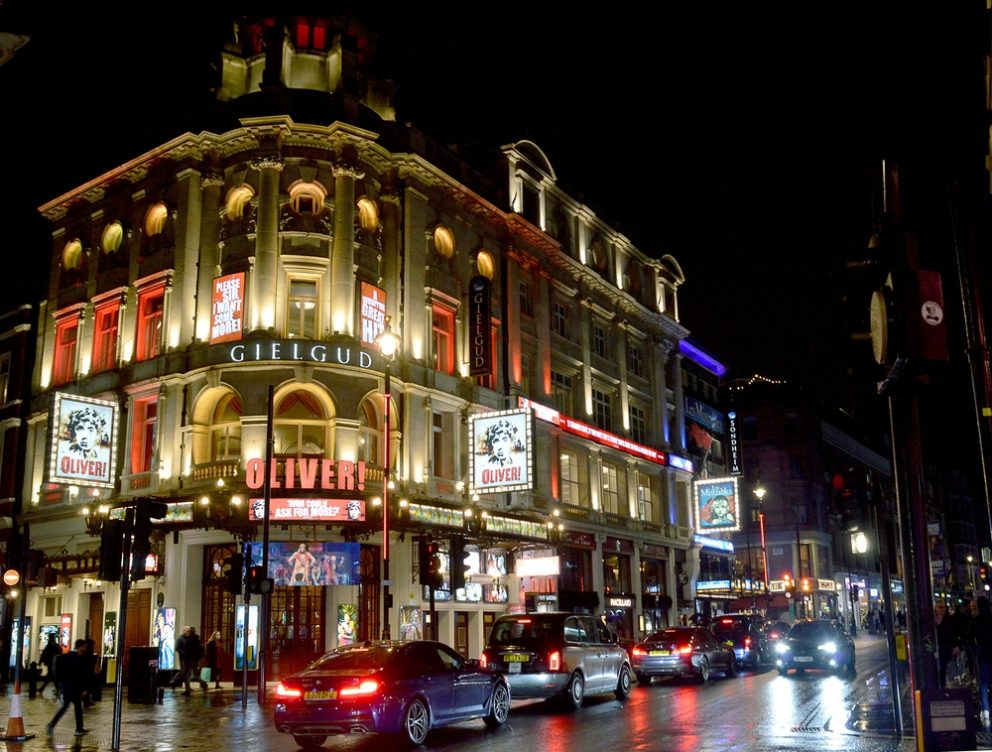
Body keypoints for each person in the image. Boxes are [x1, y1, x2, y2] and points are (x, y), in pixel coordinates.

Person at [45, 639, 90, 737]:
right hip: (74, 687)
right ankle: (78, 729)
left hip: (66, 686)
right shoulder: (77, 658)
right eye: (84, 647)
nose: (85, 649)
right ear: (80, 647)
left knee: (68, 706)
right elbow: (79, 675)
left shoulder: (66, 656)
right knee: (76, 706)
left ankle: (52, 724)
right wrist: (84, 688)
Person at [968, 596, 992, 729]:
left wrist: (974, 651)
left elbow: (969, 638)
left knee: (983, 682)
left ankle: (985, 709)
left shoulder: (976, 620)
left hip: (982, 652)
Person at [169, 626, 206, 695]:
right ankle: (183, 686)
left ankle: (182, 686)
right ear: (184, 631)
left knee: (187, 673)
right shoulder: (181, 638)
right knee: (185, 672)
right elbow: (178, 648)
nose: (187, 632)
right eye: (186, 631)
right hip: (184, 658)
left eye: (188, 631)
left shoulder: (190, 639)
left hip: (189, 659)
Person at [935, 600, 960, 688]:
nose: (942, 609)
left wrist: (956, 645)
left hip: (946, 647)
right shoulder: (933, 620)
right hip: (936, 647)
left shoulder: (949, 619)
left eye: (944, 607)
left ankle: (943, 685)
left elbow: (954, 633)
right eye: (940, 607)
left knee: (943, 667)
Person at [38, 633, 60, 698]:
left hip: (50, 663)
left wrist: (40, 661)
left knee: (51, 676)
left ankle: (42, 688)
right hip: (55, 663)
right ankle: (57, 689)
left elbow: (44, 654)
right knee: (52, 676)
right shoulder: (56, 645)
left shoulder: (49, 645)